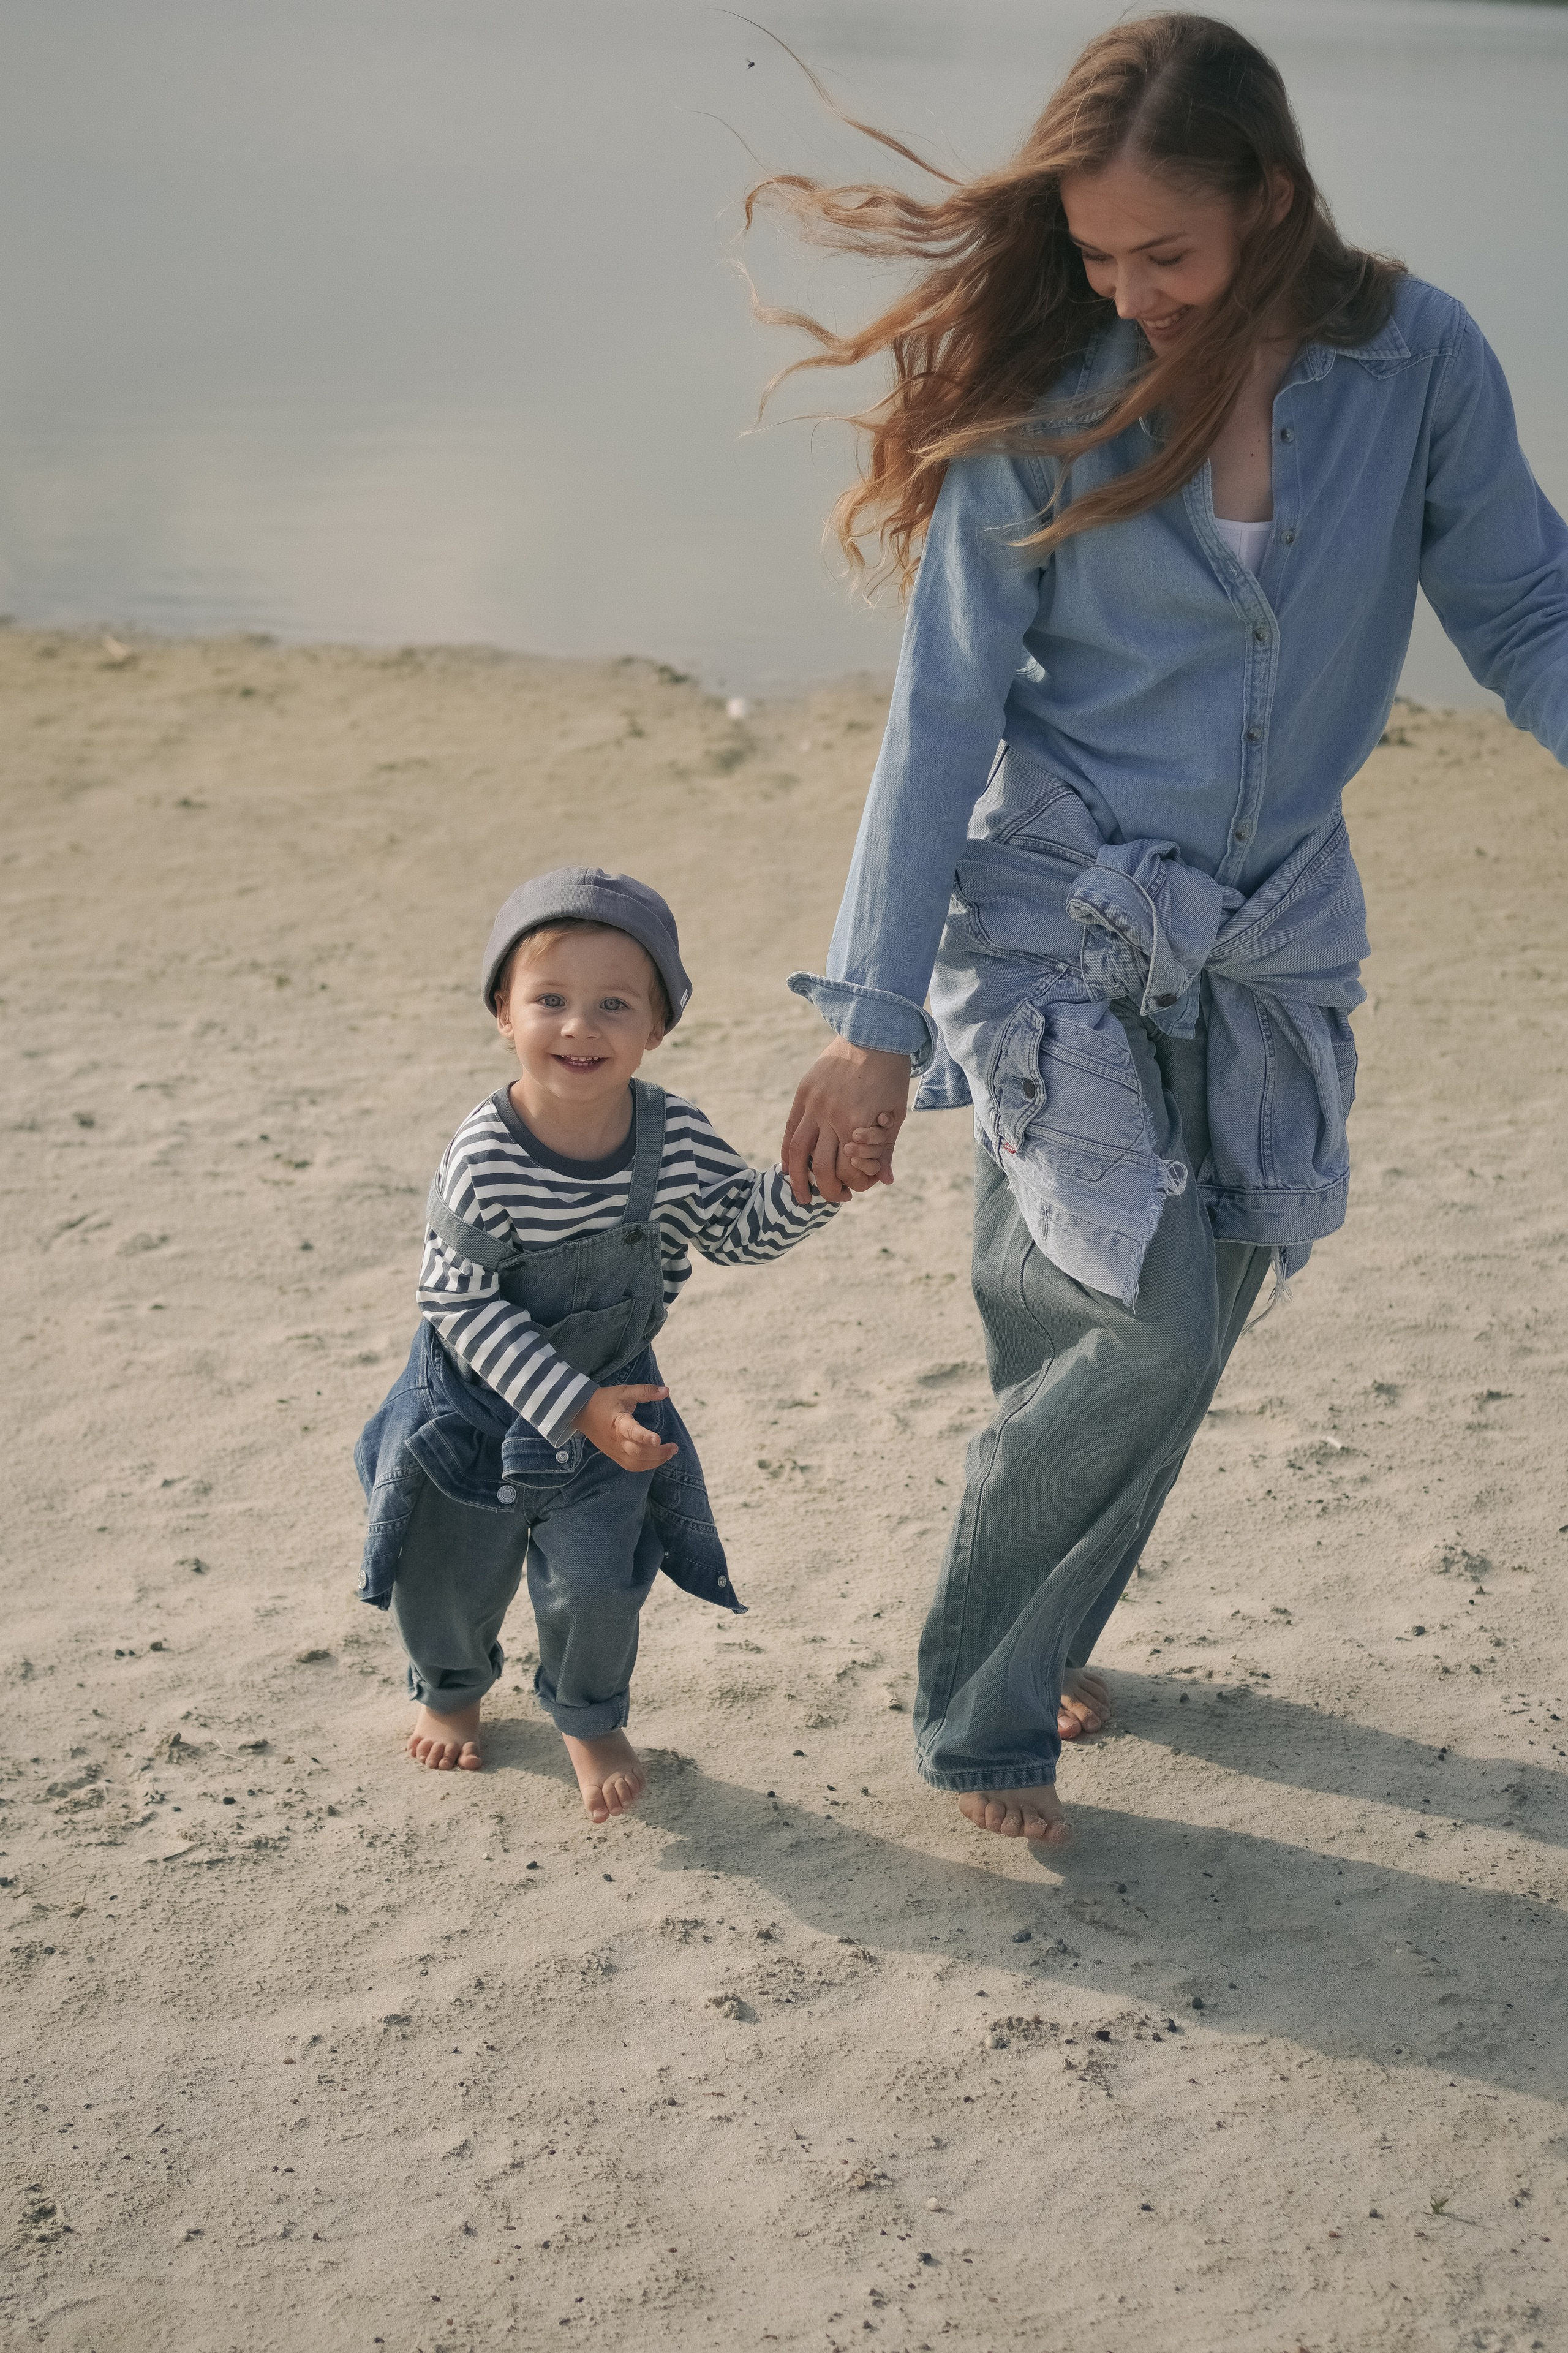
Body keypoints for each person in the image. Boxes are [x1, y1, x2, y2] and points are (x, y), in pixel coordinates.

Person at [757, 12, 1568, 1845]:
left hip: (1273, 925)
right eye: (1096, 251)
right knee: (1128, 1318)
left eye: (1165, 254)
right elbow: (943, 704)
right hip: (1053, 911)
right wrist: (872, 1015)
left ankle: (1045, 1626)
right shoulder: (1048, 387)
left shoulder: (1415, 354)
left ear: (1269, 200)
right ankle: (979, 1716)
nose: (1127, 293)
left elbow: (1524, 607)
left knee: (1164, 1319)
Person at [354, 869, 837, 1822]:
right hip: (472, 1402)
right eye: (551, 1001)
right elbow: (453, 1296)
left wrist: (813, 1184)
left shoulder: (674, 1139)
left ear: (656, 1027)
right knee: (448, 1568)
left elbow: (738, 1229)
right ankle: (451, 1687)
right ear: (503, 1012)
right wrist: (570, 1402)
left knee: (600, 1577)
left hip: (618, 1397)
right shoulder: (486, 1153)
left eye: (615, 1004)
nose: (579, 1027)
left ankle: (587, 1712)